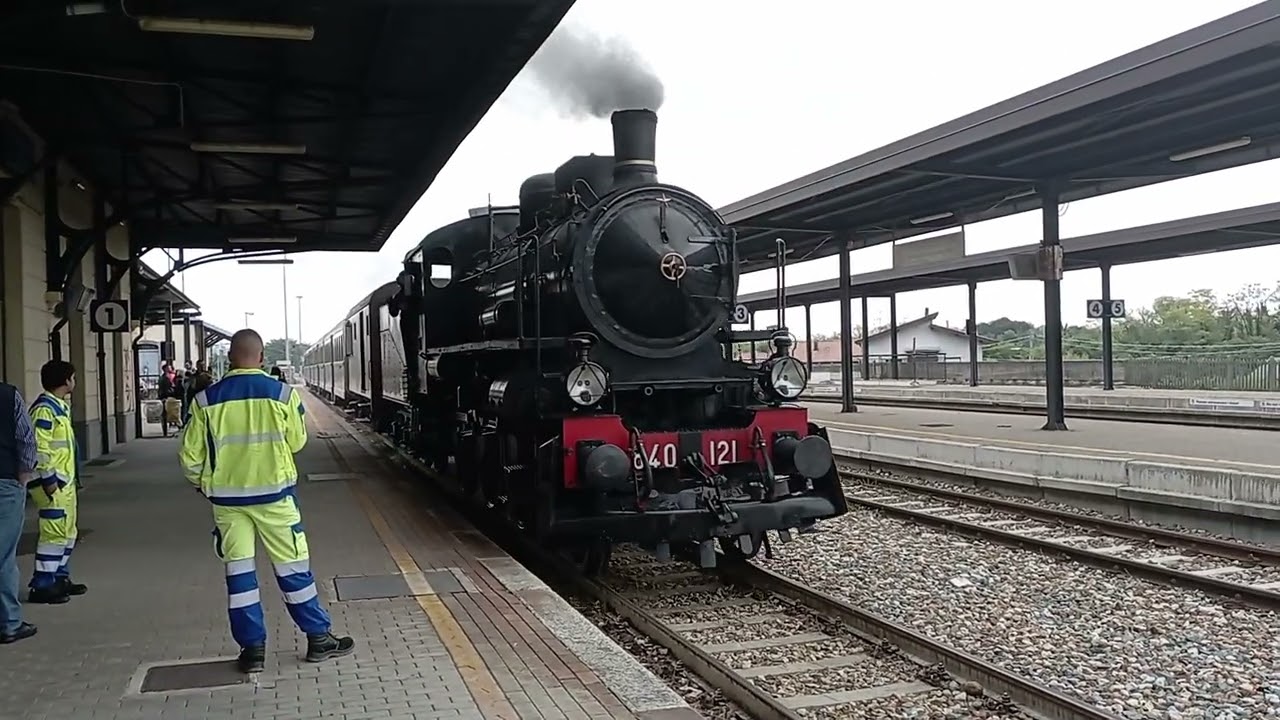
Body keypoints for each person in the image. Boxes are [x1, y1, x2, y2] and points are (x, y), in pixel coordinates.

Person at [179, 329, 355, 674]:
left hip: (228, 504)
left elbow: (189, 457)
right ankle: (318, 639)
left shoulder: (205, 400)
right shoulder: (283, 394)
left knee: (240, 576)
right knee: (293, 570)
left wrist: (205, 483)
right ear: (261, 358)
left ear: (230, 357)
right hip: (276, 500)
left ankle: (253, 651)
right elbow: (297, 441)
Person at [27, 360, 87, 604]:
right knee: (53, 535)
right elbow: (40, 449)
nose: (75, 381)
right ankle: (42, 585)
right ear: (65, 381)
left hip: (64, 485)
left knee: (67, 532)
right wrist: (49, 480)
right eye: (73, 377)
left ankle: (59, 578)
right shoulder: (45, 410)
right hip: (52, 485)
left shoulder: (59, 407)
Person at [0, 380, 38, 643]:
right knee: (3, 556)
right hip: (5, 483)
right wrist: (23, 478)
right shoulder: (8, 395)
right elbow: (26, 440)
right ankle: (9, 622)